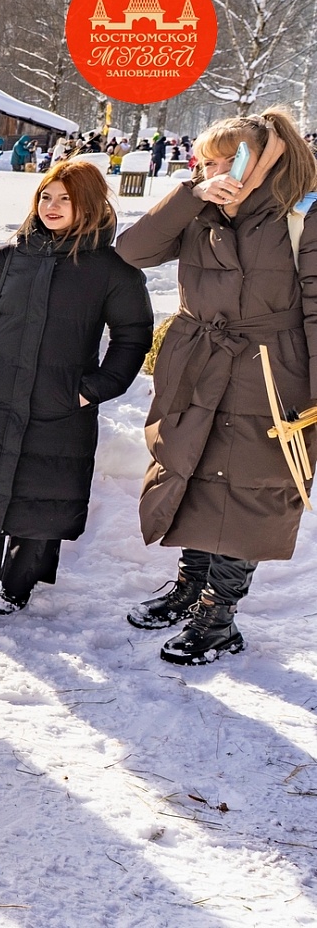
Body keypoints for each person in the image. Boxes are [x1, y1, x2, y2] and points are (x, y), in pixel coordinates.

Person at [115, 108, 317, 664]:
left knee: (247, 486)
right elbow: (133, 251)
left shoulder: (302, 212)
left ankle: (218, 615)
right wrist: (191, 193)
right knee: (193, 471)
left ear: (256, 160)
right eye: (200, 160)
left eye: (218, 160)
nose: (205, 168)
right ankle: (190, 586)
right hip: (199, 359)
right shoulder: (203, 207)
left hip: (271, 371)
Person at [0, 159, 153, 621]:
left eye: (65, 198)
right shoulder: (8, 257)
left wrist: (90, 390)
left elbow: (133, 337)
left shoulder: (112, 270)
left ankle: (20, 583)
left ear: (90, 205)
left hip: (60, 406)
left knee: (43, 499)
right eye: (45, 196)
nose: (51, 206)